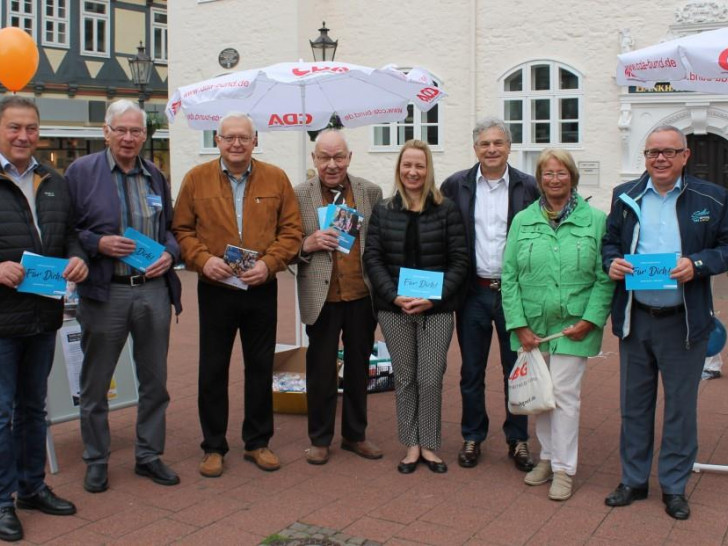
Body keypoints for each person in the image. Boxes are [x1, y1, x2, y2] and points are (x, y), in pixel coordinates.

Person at [602, 125, 728, 520]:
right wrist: (612, 263)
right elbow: (609, 243)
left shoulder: (712, 197)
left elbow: (725, 247)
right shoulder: (625, 196)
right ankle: (634, 480)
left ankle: (674, 486)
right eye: (653, 152)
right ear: (645, 156)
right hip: (636, 319)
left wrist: (699, 264)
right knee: (634, 406)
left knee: (680, 409)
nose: (660, 158)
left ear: (685, 156)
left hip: (684, 322)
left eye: (669, 152)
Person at [172, 112, 303, 478]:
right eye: (229, 137)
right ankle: (213, 446)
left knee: (260, 367)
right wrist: (202, 259)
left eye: (243, 137)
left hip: (261, 287)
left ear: (255, 140)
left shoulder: (276, 178)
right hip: (217, 288)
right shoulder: (196, 179)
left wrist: (271, 263)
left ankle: (258, 442)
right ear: (217, 140)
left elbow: (292, 231)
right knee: (212, 368)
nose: (236, 144)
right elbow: (181, 229)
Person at [65, 99, 182, 494]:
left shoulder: (155, 175)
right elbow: (67, 230)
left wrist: (170, 253)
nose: (129, 138)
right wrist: (98, 243)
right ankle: (96, 459)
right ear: (106, 132)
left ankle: (148, 455)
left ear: (145, 137)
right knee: (95, 384)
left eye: (136, 132)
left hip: (152, 292)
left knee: (155, 381)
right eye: (122, 130)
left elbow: (171, 228)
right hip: (106, 293)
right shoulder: (82, 173)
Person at [501, 149, 613, 501]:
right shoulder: (523, 220)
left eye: (561, 173)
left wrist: (591, 319)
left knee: (564, 396)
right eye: (547, 173)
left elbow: (604, 277)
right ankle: (547, 458)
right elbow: (509, 276)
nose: (554, 180)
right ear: (539, 179)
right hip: (532, 325)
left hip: (574, 325)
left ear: (572, 177)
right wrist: (518, 324)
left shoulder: (595, 220)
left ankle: (564, 469)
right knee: (541, 394)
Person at [0, 96, 88, 542]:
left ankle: (32, 487)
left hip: (42, 313)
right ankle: (1, 501)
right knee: (1, 414)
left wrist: (76, 259)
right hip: (1, 320)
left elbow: (69, 233)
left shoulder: (52, 179)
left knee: (35, 408)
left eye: (31, 128)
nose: (23, 136)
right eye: (15, 127)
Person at [364, 140, 468, 474]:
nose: (413, 172)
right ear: (399, 169)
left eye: (419, 166)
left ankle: (429, 444)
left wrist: (433, 298)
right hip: (394, 309)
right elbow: (373, 258)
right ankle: (411, 445)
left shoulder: (446, 210)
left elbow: (459, 260)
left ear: (428, 170)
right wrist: (393, 295)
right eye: (407, 165)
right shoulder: (383, 210)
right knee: (406, 377)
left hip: (435, 310)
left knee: (431, 376)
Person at [441, 117, 539, 470]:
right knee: (471, 370)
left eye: (498, 143)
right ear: (475, 149)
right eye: (485, 144)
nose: (492, 149)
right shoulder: (456, 185)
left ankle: (518, 439)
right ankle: (473, 434)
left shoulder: (529, 187)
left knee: (516, 369)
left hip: (516, 295)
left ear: (509, 147)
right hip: (473, 293)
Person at [294, 129, 383, 465]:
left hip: (361, 295)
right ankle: (320, 438)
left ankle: (355, 435)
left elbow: (379, 243)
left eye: (339, 157)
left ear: (349, 157)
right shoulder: (299, 194)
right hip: (322, 296)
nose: (332, 164)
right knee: (321, 369)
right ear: (314, 159)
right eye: (324, 157)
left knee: (361, 368)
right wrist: (307, 244)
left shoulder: (369, 192)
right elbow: (285, 242)